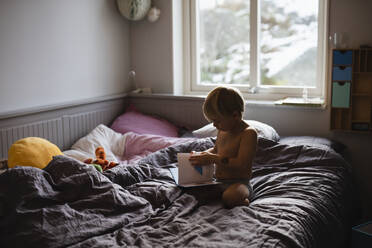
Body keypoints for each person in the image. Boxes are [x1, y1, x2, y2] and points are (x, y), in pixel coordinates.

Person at [189, 86, 257, 208]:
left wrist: (213, 159)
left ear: (235, 115)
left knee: (231, 196)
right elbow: (216, 150)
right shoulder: (223, 129)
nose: (215, 125)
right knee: (192, 192)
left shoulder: (248, 133)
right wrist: (202, 155)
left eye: (217, 121)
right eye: (212, 121)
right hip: (218, 181)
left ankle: (243, 201)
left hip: (239, 183)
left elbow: (242, 164)